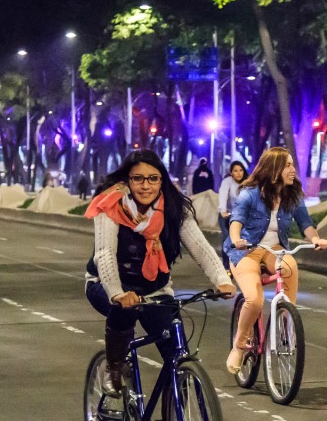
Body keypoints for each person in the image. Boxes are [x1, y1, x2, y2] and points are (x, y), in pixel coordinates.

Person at [84, 149, 235, 395]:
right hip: (106, 284)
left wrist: (221, 278)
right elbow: (104, 254)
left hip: (154, 289)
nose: (146, 185)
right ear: (128, 180)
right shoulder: (111, 205)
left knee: (177, 354)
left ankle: (175, 417)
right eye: (138, 179)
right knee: (125, 310)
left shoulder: (174, 208)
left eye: (153, 178)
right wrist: (117, 293)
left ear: (161, 180)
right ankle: (115, 368)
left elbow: (200, 247)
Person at [224, 147, 327, 374]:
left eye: (292, 164)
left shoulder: (292, 195)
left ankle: (286, 323)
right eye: (288, 165)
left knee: (290, 266)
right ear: (274, 170)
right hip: (247, 250)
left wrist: (316, 239)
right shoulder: (250, 193)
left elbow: (305, 223)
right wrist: (236, 240)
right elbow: (236, 221)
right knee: (253, 299)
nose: (293, 170)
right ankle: (239, 346)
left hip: (275, 249)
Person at [218, 161, 248, 270]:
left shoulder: (248, 183)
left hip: (241, 217)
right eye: (235, 171)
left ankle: (240, 265)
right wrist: (223, 210)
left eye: (241, 170)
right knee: (227, 239)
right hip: (226, 215)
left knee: (243, 240)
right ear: (231, 172)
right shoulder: (227, 181)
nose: (238, 173)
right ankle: (226, 266)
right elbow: (223, 195)